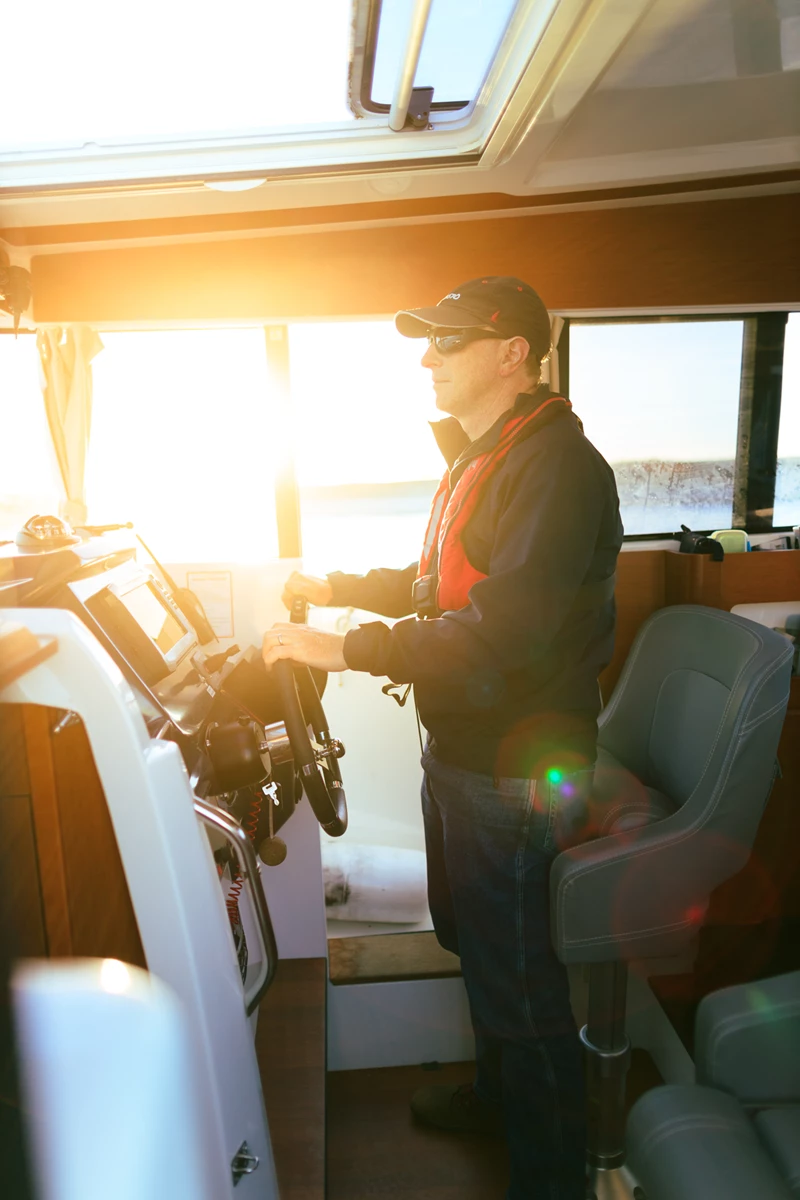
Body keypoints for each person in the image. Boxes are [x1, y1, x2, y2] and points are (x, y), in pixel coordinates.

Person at [262, 276, 624, 1200]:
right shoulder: (487, 457)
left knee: (522, 986)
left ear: (513, 354)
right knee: (475, 941)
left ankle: (551, 1179)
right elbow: (439, 586)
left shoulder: (556, 467)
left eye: (450, 341)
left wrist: (339, 647)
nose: (429, 358)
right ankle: (503, 1102)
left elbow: (502, 630)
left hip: (516, 771)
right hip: (465, 753)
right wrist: (336, 586)